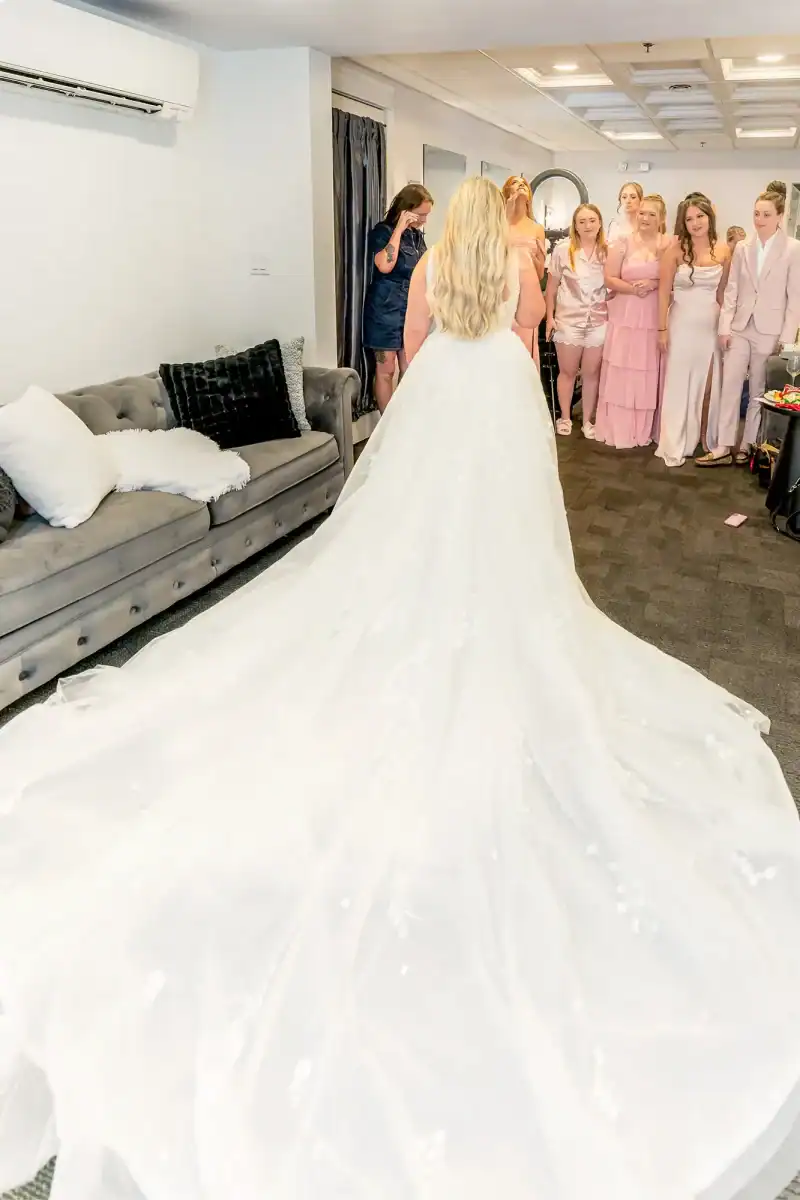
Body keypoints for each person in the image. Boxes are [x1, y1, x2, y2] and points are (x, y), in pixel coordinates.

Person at [1, 177, 800, 1200]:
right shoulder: (516, 266)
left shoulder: (428, 265)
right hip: (503, 403)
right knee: (504, 545)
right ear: (498, 236)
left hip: (439, 405)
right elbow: (530, 336)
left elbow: (414, 354)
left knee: (406, 539)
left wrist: (440, 391)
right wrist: (504, 380)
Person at [699, 180, 800, 466]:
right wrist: (724, 327)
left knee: (757, 390)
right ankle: (722, 445)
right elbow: (731, 290)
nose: (760, 220)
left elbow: (795, 297)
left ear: (780, 216)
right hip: (741, 326)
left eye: (766, 214)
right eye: (756, 213)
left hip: (770, 329)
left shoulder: (794, 249)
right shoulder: (743, 247)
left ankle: (748, 445)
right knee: (730, 384)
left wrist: (787, 338)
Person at [656, 194, 731, 468]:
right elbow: (663, 293)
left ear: (709, 217)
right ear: (683, 223)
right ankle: (677, 440)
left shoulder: (723, 250)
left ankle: (704, 437)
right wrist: (661, 329)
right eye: (689, 219)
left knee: (709, 384)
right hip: (681, 325)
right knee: (679, 383)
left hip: (710, 326)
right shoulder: (674, 252)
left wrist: (728, 328)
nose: (695, 222)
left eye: (700, 216)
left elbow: (724, 294)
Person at [595, 194, 669, 448]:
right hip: (626, 315)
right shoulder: (622, 242)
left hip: (652, 315)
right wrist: (632, 289)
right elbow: (609, 278)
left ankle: (644, 429)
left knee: (647, 369)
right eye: (642, 213)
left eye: (652, 214)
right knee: (623, 368)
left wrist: (654, 283)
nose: (645, 218)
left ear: (661, 219)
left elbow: (673, 280)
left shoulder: (668, 244)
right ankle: (619, 426)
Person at [362, 183, 433, 412]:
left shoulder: (417, 238)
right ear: (407, 210)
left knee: (409, 367)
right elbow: (384, 265)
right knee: (386, 370)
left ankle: (403, 421)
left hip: (410, 308)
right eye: (421, 214)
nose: (423, 220)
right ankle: (385, 428)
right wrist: (399, 229)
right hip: (384, 309)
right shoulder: (382, 232)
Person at [545, 204, 608, 437]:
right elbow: (551, 288)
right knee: (568, 371)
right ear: (575, 225)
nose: (587, 225)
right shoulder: (563, 250)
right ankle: (565, 417)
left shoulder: (608, 251)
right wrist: (549, 318)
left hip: (599, 320)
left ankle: (588, 420)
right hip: (568, 320)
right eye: (582, 221)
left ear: (600, 222)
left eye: (592, 220)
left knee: (592, 373)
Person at [502, 175, 546, 365]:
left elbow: (540, 274)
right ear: (506, 193)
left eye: (523, 185)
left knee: (523, 352)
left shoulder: (537, 228)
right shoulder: (498, 224)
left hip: (526, 293)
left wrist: (536, 261)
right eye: (515, 184)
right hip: (501, 293)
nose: (520, 186)